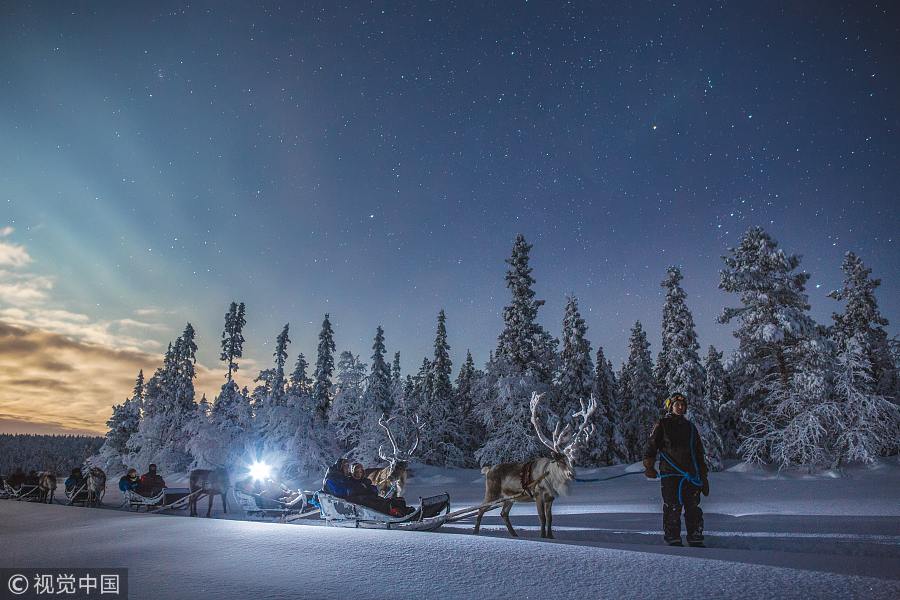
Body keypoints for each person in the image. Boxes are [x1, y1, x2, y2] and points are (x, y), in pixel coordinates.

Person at [643, 393, 709, 547]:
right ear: (670, 406)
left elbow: (698, 452)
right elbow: (652, 445)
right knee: (672, 506)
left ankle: (695, 536)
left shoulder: (690, 427)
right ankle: (673, 538)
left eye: (683, 405)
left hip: (691, 475)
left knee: (693, 507)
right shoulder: (662, 424)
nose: (680, 407)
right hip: (671, 474)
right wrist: (649, 465)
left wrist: (703, 475)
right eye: (677, 404)